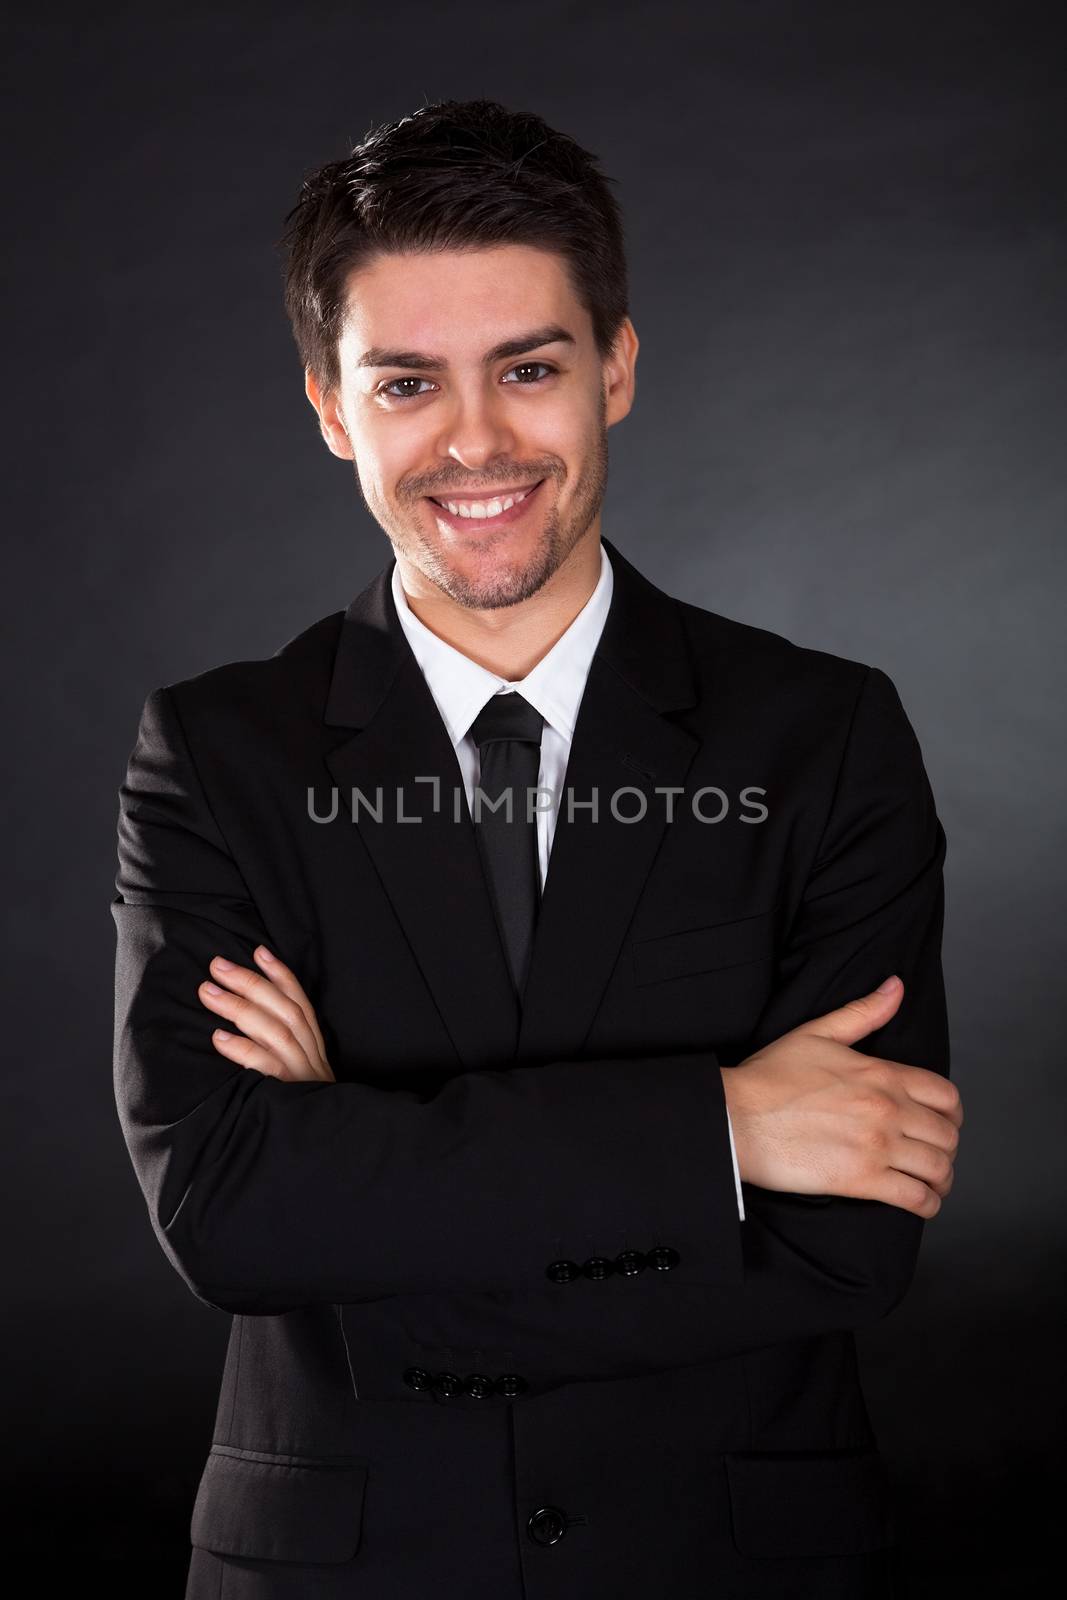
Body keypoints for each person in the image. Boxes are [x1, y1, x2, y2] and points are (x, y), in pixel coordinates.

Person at [111, 98, 962, 1600]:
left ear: (616, 369)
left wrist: (363, 1229)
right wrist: (720, 1131)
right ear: (328, 408)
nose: (476, 441)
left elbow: (848, 1248)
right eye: (405, 383)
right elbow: (232, 1215)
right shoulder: (217, 752)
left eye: (529, 368)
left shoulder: (822, 735)